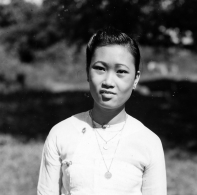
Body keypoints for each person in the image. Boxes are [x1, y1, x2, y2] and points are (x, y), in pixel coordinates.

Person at [37, 27, 167, 195]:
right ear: (87, 72)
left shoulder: (149, 142)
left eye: (121, 71)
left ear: (136, 79)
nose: (108, 81)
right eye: (100, 68)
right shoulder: (61, 134)